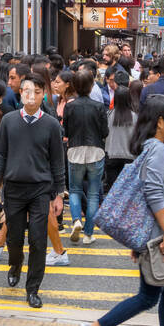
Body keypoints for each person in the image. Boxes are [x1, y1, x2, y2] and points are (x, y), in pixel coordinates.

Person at [79, 94, 164, 326]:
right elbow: (153, 192)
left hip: (153, 234)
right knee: (149, 297)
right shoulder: (156, 149)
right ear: (159, 122)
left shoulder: (152, 147)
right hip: (158, 234)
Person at [0, 75, 66, 309]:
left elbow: (57, 161)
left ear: (43, 94)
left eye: (36, 91)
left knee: (38, 240)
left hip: (40, 190)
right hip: (13, 189)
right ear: (21, 93)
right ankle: (15, 265)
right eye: (27, 91)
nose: (31, 96)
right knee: (13, 239)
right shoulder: (9, 121)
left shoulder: (52, 125)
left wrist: (59, 194)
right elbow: (0, 154)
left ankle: (33, 289)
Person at [63, 66, 107, 245]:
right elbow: (105, 131)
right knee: (94, 193)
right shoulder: (98, 106)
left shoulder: (70, 106)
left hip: (74, 150)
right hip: (96, 150)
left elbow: (66, 129)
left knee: (74, 189)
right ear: (91, 86)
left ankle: (76, 220)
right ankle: (89, 234)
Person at [104, 74, 140, 191]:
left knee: (113, 190)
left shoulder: (108, 115)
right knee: (127, 191)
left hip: (111, 155)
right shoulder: (134, 116)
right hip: (130, 156)